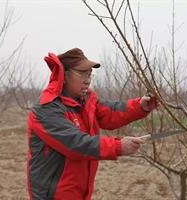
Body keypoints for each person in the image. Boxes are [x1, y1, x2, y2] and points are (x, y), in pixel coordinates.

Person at [27, 48, 158, 200]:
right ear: (64, 75)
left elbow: (110, 113)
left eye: (89, 74)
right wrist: (118, 146)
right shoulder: (47, 108)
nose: (87, 80)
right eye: (82, 73)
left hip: (79, 191)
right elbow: (75, 143)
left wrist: (140, 106)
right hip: (52, 195)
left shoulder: (87, 100)